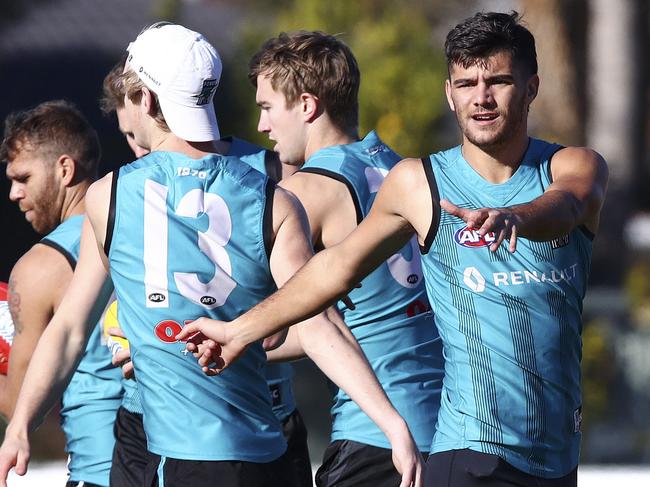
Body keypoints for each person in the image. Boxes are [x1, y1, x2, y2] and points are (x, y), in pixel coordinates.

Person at [177, 11, 608, 487]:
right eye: (466, 84)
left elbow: (568, 205)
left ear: (531, 88)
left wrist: (515, 217)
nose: (481, 97)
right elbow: (333, 271)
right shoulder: (416, 182)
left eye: (499, 81)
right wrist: (239, 330)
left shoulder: (573, 165)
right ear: (449, 92)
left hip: (558, 457)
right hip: (469, 452)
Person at [0, 23, 423, 487]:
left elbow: (69, 329)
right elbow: (320, 324)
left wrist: (21, 424)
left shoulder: (111, 196)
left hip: (172, 456)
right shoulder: (275, 196)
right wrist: (391, 423)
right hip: (269, 454)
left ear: (147, 101)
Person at [100, 56, 312, 487]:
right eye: (127, 139)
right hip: (153, 426)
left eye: (137, 134)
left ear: (151, 103)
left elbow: (315, 312)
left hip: (262, 420)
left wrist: (232, 341)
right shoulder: (121, 191)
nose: (139, 152)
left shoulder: (271, 177)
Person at [246, 31, 443, 487]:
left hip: (376, 433)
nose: (263, 126)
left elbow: (279, 331)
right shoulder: (406, 170)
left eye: (268, 107)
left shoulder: (305, 193)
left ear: (308, 106)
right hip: (445, 426)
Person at [0, 101, 123, 487]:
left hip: (102, 465)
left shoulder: (41, 267)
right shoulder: (147, 225)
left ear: (64, 169)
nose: (14, 194)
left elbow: (21, 407)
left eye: (23, 178)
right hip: (179, 458)